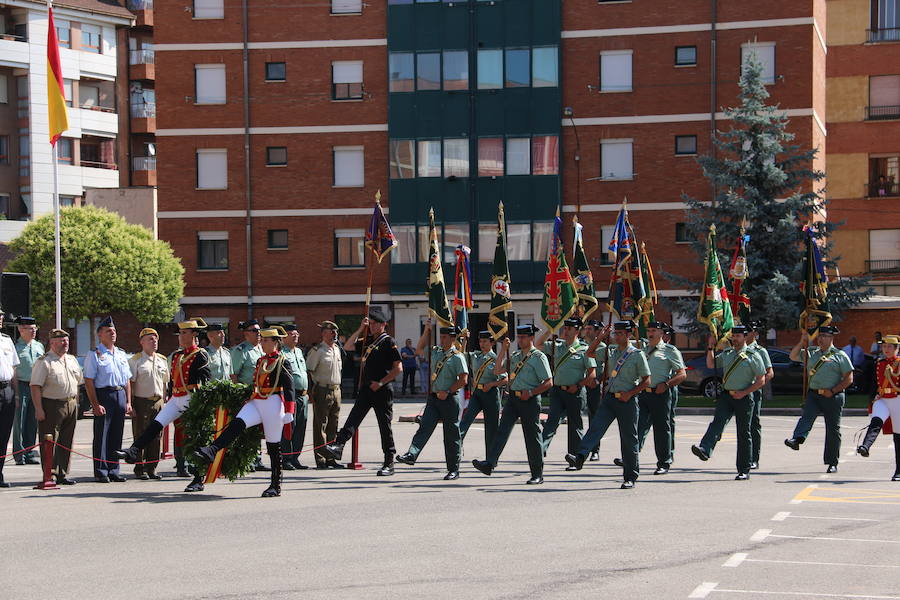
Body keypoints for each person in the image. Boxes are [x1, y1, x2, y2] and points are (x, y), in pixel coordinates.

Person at [195, 326, 296, 497]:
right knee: (236, 424)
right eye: (261, 340)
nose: (262, 343)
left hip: (273, 402)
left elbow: (289, 387)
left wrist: (289, 411)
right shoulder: (261, 361)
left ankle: (275, 483)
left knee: (273, 446)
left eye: (265, 340)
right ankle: (212, 450)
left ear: (275, 342)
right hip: (257, 401)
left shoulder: (282, 361)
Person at [118, 318, 211, 492]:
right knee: (155, 425)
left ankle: (198, 478)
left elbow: (206, 379)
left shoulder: (200, 354)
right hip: (176, 398)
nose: (181, 336)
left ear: (194, 334)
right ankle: (133, 451)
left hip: (192, 398)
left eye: (184, 333)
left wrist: (202, 403)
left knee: (194, 439)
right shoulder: (176, 355)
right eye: (180, 333)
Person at [566, 321, 650, 489]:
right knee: (595, 428)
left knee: (629, 439)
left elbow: (647, 381)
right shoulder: (609, 351)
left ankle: (630, 476)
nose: (617, 337)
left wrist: (631, 393)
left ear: (628, 335)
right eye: (615, 334)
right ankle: (580, 456)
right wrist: (601, 337)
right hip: (610, 398)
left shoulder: (636, 354)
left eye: (620, 334)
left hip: (627, 400)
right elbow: (589, 353)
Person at [323, 307, 402, 476]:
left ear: (383, 325)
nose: (372, 326)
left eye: (375, 324)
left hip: (382, 389)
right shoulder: (367, 340)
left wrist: (381, 383)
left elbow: (398, 369)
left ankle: (389, 461)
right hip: (367, 388)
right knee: (354, 418)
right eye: (371, 323)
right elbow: (349, 345)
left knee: (384, 425)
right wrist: (361, 328)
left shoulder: (388, 341)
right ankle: (339, 445)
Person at [472, 324, 551, 485]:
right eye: (519, 337)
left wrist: (530, 393)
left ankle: (537, 473)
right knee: (502, 431)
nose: (520, 340)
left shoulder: (538, 357)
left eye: (523, 337)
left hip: (529, 399)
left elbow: (549, 382)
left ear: (531, 338)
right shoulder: (515, 355)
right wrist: (503, 349)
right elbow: (497, 370)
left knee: (532, 437)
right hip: (513, 399)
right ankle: (490, 463)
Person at [691, 325, 766, 480]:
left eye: (738, 336)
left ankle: (744, 469)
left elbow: (761, 380)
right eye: (733, 336)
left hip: (744, 397)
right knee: (717, 423)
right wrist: (710, 347)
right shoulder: (727, 353)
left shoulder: (753, 355)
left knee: (744, 433)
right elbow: (711, 364)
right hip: (727, 396)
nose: (735, 339)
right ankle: (705, 449)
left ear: (745, 337)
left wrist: (744, 392)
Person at [396, 322, 468, 480]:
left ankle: (453, 469)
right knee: (424, 427)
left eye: (444, 337)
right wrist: (426, 331)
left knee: (451, 435)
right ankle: (412, 454)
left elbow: (463, 380)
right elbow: (419, 349)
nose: (441, 339)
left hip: (450, 399)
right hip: (434, 398)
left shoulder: (457, 356)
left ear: (452, 338)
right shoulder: (435, 351)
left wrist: (448, 391)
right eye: (440, 336)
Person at [784, 325, 853, 473]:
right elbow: (793, 356)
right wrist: (802, 341)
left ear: (831, 338)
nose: (821, 339)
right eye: (819, 336)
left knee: (833, 430)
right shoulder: (812, 353)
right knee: (806, 417)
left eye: (824, 336)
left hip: (833, 396)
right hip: (814, 394)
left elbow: (849, 379)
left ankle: (832, 462)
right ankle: (797, 439)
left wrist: (833, 390)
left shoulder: (840, 355)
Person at [535, 317, 595, 460]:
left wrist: (579, 385)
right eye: (565, 328)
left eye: (569, 328)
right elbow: (539, 344)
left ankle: (575, 457)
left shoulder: (584, 349)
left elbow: (592, 374)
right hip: (557, 391)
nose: (566, 331)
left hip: (575, 392)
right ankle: (540, 450)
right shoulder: (557, 345)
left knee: (575, 425)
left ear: (577, 330)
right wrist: (550, 329)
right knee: (551, 422)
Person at [29, 328, 83, 485]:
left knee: (66, 440)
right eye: (61, 340)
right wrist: (39, 409)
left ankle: (62, 473)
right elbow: (35, 386)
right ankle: (49, 474)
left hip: (71, 403)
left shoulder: (72, 360)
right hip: (52, 404)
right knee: (50, 440)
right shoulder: (44, 361)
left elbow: (78, 382)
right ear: (52, 343)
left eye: (66, 340)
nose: (65, 343)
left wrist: (76, 403)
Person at [83, 316, 133, 483]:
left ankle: (114, 469)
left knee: (116, 434)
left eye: (114, 331)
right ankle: (101, 470)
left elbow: (126, 379)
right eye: (108, 331)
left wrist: (128, 402)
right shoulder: (95, 354)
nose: (112, 333)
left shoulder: (120, 354)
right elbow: (89, 380)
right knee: (102, 435)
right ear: (99, 334)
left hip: (119, 394)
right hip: (104, 395)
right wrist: (95, 404)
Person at [633, 321, 685, 475]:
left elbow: (682, 374)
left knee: (662, 429)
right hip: (643, 393)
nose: (650, 333)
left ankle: (664, 462)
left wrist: (667, 384)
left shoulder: (670, 350)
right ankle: (631, 457)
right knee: (637, 427)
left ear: (661, 333)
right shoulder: (642, 350)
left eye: (654, 330)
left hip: (660, 393)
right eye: (648, 330)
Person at [855, 334, 900, 481]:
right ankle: (865, 446)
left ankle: (898, 471)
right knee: (876, 421)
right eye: (884, 346)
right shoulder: (879, 363)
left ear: (896, 348)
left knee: (898, 437)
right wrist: (873, 396)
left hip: (898, 399)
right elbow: (873, 382)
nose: (885, 349)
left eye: (889, 347)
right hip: (883, 399)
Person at [127, 328, 169, 481]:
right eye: (150, 339)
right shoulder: (136, 360)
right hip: (141, 401)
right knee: (140, 434)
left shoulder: (162, 360)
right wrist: (130, 403)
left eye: (155, 339)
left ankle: (152, 467)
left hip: (158, 402)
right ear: (142, 342)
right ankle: (140, 467)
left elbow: (164, 384)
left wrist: (164, 401)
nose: (154, 342)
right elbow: (130, 383)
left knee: (157, 436)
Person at [459, 331, 507, 455]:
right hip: (477, 393)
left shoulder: (496, 359)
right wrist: (465, 340)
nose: (482, 344)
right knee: (466, 420)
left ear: (492, 343)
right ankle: (456, 446)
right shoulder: (475, 356)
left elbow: (505, 378)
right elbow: (462, 356)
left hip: (491, 394)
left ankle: (490, 459)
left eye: (485, 341)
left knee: (491, 428)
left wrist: (491, 384)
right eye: (480, 341)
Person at [306, 320, 344, 469]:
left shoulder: (336, 349)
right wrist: (311, 391)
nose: (334, 334)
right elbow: (309, 370)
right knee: (320, 424)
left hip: (336, 390)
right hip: (322, 389)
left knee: (333, 425)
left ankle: (331, 457)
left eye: (335, 332)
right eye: (331, 332)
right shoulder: (318, 351)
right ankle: (321, 458)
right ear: (323, 333)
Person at [231, 319, 265, 470]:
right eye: (254, 331)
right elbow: (234, 375)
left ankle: (257, 459)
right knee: (245, 428)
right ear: (246, 334)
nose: (258, 334)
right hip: (246, 395)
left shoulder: (262, 349)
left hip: (261, 395)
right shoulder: (241, 351)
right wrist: (241, 396)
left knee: (258, 429)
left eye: (259, 331)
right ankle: (246, 461)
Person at [13, 316, 43, 465]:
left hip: (36, 386)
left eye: (34, 328)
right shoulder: (15, 347)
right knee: (20, 421)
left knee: (33, 420)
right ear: (20, 329)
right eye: (30, 329)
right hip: (21, 385)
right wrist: (17, 394)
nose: (33, 331)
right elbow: (14, 372)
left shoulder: (39, 346)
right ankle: (19, 454)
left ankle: (30, 451)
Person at [745, 322, 774, 470]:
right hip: (737, 392)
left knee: (753, 424)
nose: (746, 334)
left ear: (755, 334)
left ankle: (753, 458)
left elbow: (769, 373)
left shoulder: (760, 351)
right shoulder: (736, 349)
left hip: (753, 392)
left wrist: (756, 384)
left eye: (748, 331)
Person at [281, 324, 309, 470]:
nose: (296, 335)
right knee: (289, 427)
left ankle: (295, 457)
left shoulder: (298, 351)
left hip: (303, 395)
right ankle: (286, 458)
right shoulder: (282, 353)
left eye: (297, 333)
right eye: (292, 333)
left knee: (301, 428)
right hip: (291, 395)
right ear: (284, 337)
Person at [0, 308, 21, 487]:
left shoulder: (6, 341)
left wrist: (16, 394)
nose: (0, 319)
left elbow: (13, 370)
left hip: (6, 390)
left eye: (1, 316)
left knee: (4, 434)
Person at [581, 319, 606, 461]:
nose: (588, 331)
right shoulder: (582, 346)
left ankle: (594, 449)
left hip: (595, 386)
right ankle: (578, 449)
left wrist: (597, 380)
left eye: (591, 328)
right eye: (587, 328)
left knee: (594, 418)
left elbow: (608, 368)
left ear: (597, 331)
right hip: (580, 384)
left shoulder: (602, 347)